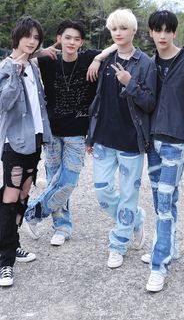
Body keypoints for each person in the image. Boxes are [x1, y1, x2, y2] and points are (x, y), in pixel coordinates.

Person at [24, 19, 116, 246]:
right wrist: (38, 52)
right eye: (67, 38)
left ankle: (33, 212)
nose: (71, 42)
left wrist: (97, 58)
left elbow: (117, 44)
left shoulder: (88, 59)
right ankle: (62, 227)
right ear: (59, 39)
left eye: (76, 39)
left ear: (82, 42)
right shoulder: (47, 59)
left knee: (68, 181)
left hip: (77, 132)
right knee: (55, 178)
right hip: (52, 132)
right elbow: (19, 57)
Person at [86, 8, 157, 269]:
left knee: (128, 195)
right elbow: (99, 101)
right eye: (114, 29)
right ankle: (135, 219)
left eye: (123, 29)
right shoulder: (104, 60)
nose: (118, 33)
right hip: (104, 137)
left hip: (130, 141)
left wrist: (130, 84)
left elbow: (149, 102)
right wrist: (90, 135)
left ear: (133, 31)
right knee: (103, 191)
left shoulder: (146, 63)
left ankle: (118, 243)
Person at [142, 10, 184, 292]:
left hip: (176, 141)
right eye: (157, 30)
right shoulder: (149, 63)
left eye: (167, 30)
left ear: (174, 32)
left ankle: (158, 265)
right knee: (162, 202)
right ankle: (169, 247)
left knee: (164, 204)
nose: (162, 35)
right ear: (151, 32)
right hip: (152, 142)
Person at [0, 16, 52, 286]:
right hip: (14, 143)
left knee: (22, 196)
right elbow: (4, 104)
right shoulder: (7, 66)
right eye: (28, 36)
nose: (32, 41)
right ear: (17, 36)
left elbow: (38, 104)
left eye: (36, 37)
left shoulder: (32, 65)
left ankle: (12, 243)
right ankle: (4, 260)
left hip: (34, 141)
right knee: (10, 198)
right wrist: (14, 75)